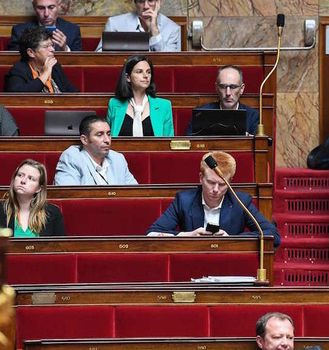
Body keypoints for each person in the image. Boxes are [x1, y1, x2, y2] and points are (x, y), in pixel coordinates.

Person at [146, 151, 280, 247]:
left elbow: (272, 235)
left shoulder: (241, 202)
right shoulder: (184, 200)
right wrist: (186, 236)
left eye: (222, 184)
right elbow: (152, 234)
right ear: (200, 178)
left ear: (230, 182)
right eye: (210, 182)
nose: (216, 189)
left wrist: (231, 239)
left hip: (228, 266)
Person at [95, 0, 180, 52]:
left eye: (151, 1)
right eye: (141, 1)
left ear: (159, 0)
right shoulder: (115, 24)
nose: (146, 6)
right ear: (134, 1)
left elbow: (170, 62)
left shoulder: (172, 29)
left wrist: (155, 30)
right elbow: (99, 59)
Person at [54, 115, 138, 185]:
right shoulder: (72, 158)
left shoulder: (118, 159)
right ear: (84, 140)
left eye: (108, 134)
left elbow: (135, 194)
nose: (107, 140)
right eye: (99, 135)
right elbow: (69, 197)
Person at [0, 159, 65, 237]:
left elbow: (59, 247)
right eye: (20, 175)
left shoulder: (53, 213)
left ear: (39, 188)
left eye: (31, 179)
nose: (23, 181)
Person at [107, 56, 174, 136]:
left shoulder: (164, 105)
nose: (146, 76)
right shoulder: (114, 104)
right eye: (139, 72)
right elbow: (107, 139)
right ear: (128, 77)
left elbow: (168, 141)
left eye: (148, 72)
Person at [184, 65, 260, 135]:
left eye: (233, 87)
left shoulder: (253, 116)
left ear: (242, 89)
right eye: (223, 87)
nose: (228, 93)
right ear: (216, 88)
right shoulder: (200, 114)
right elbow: (188, 144)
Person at [7, 0, 82, 52]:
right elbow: (14, 62)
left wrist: (65, 49)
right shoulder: (19, 31)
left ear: (59, 5)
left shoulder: (73, 31)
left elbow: (79, 63)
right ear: (34, 6)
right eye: (41, 8)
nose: (46, 14)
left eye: (51, 7)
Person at [4, 26, 79, 93]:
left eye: (52, 45)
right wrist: (45, 73)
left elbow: (73, 93)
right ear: (31, 52)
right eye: (46, 46)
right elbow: (18, 96)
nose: (52, 49)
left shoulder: (55, 66)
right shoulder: (18, 70)